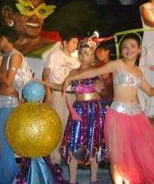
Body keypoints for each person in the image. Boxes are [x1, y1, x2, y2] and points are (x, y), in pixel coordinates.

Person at [63, 34, 154, 184]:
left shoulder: (138, 71)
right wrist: (72, 78)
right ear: (121, 51)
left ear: (139, 50)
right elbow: (93, 72)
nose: (128, 49)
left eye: (132, 46)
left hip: (137, 116)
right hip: (118, 115)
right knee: (117, 157)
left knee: (142, 154)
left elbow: (150, 91)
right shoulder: (117, 65)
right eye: (125, 47)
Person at [43, 38, 106, 184]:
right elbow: (63, 87)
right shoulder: (74, 71)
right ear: (78, 55)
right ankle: (72, 180)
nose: (84, 56)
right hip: (78, 110)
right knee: (75, 144)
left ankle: (94, 179)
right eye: (82, 53)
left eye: (87, 53)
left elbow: (103, 91)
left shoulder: (97, 71)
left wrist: (100, 90)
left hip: (94, 110)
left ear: (92, 55)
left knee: (93, 144)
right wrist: (45, 83)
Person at [0, 27, 32, 184]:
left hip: (9, 104)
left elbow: (8, 81)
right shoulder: (6, 56)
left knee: (3, 142)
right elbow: (3, 80)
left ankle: (12, 178)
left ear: (5, 39)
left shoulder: (15, 56)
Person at [0, 0, 60, 78]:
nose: (35, 17)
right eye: (27, 9)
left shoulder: (55, 50)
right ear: (8, 14)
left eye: (41, 11)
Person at [42, 34, 80, 164]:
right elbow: (46, 74)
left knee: (70, 127)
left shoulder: (76, 60)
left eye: (77, 43)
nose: (76, 45)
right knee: (57, 126)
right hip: (58, 93)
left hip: (73, 95)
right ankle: (54, 160)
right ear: (65, 42)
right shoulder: (55, 55)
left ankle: (68, 158)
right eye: (74, 42)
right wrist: (48, 93)